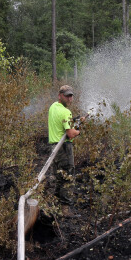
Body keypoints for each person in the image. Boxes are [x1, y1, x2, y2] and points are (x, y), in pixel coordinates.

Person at [48, 85, 82, 218]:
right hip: (64, 148)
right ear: (60, 95)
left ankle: (55, 205)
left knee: (58, 177)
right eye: (67, 95)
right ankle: (65, 210)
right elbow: (71, 134)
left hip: (54, 148)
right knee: (68, 177)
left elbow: (62, 123)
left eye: (71, 95)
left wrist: (76, 121)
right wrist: (78, 129)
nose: (70, 98)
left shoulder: (53, 107)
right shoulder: (65, 112)